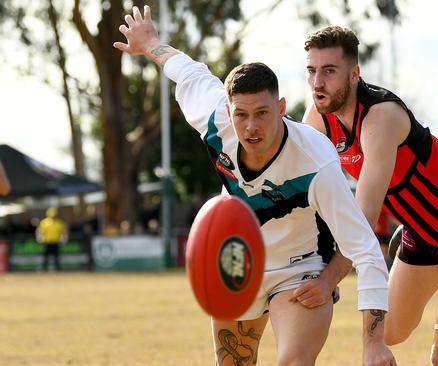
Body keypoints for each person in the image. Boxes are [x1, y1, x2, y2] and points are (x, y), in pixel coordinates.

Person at [113, 6, 395, 366]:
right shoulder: (216, 120)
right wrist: (150, 42)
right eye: (241, 115)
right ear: (229, 113)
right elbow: (187, 71)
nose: (251, 127)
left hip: (299, 271)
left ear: (280, 107)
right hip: (238, 264)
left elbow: (366, 249)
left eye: (262, 113)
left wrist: (370, 341)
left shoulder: (315, 161)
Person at [302, 26, 438, 366]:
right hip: (421, 229)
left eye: (329, 71)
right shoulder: (318, 121)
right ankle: (408, 237)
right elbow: (302, 193)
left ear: (354, 74)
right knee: (389, 333)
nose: (317, 83)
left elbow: (363, 220)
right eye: (311, 70)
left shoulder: (380, 118)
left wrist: (330, 277)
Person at [36, 207, 68, 271]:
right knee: (45, 256)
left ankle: (57, 268)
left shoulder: (60, 223)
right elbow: (39, 231)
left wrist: (64, 238)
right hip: (47, 242)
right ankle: (44, 268)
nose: (52, 217)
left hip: (56, 242)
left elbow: (64, 232)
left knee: (56, 257)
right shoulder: (44, 222)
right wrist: (39, 237)